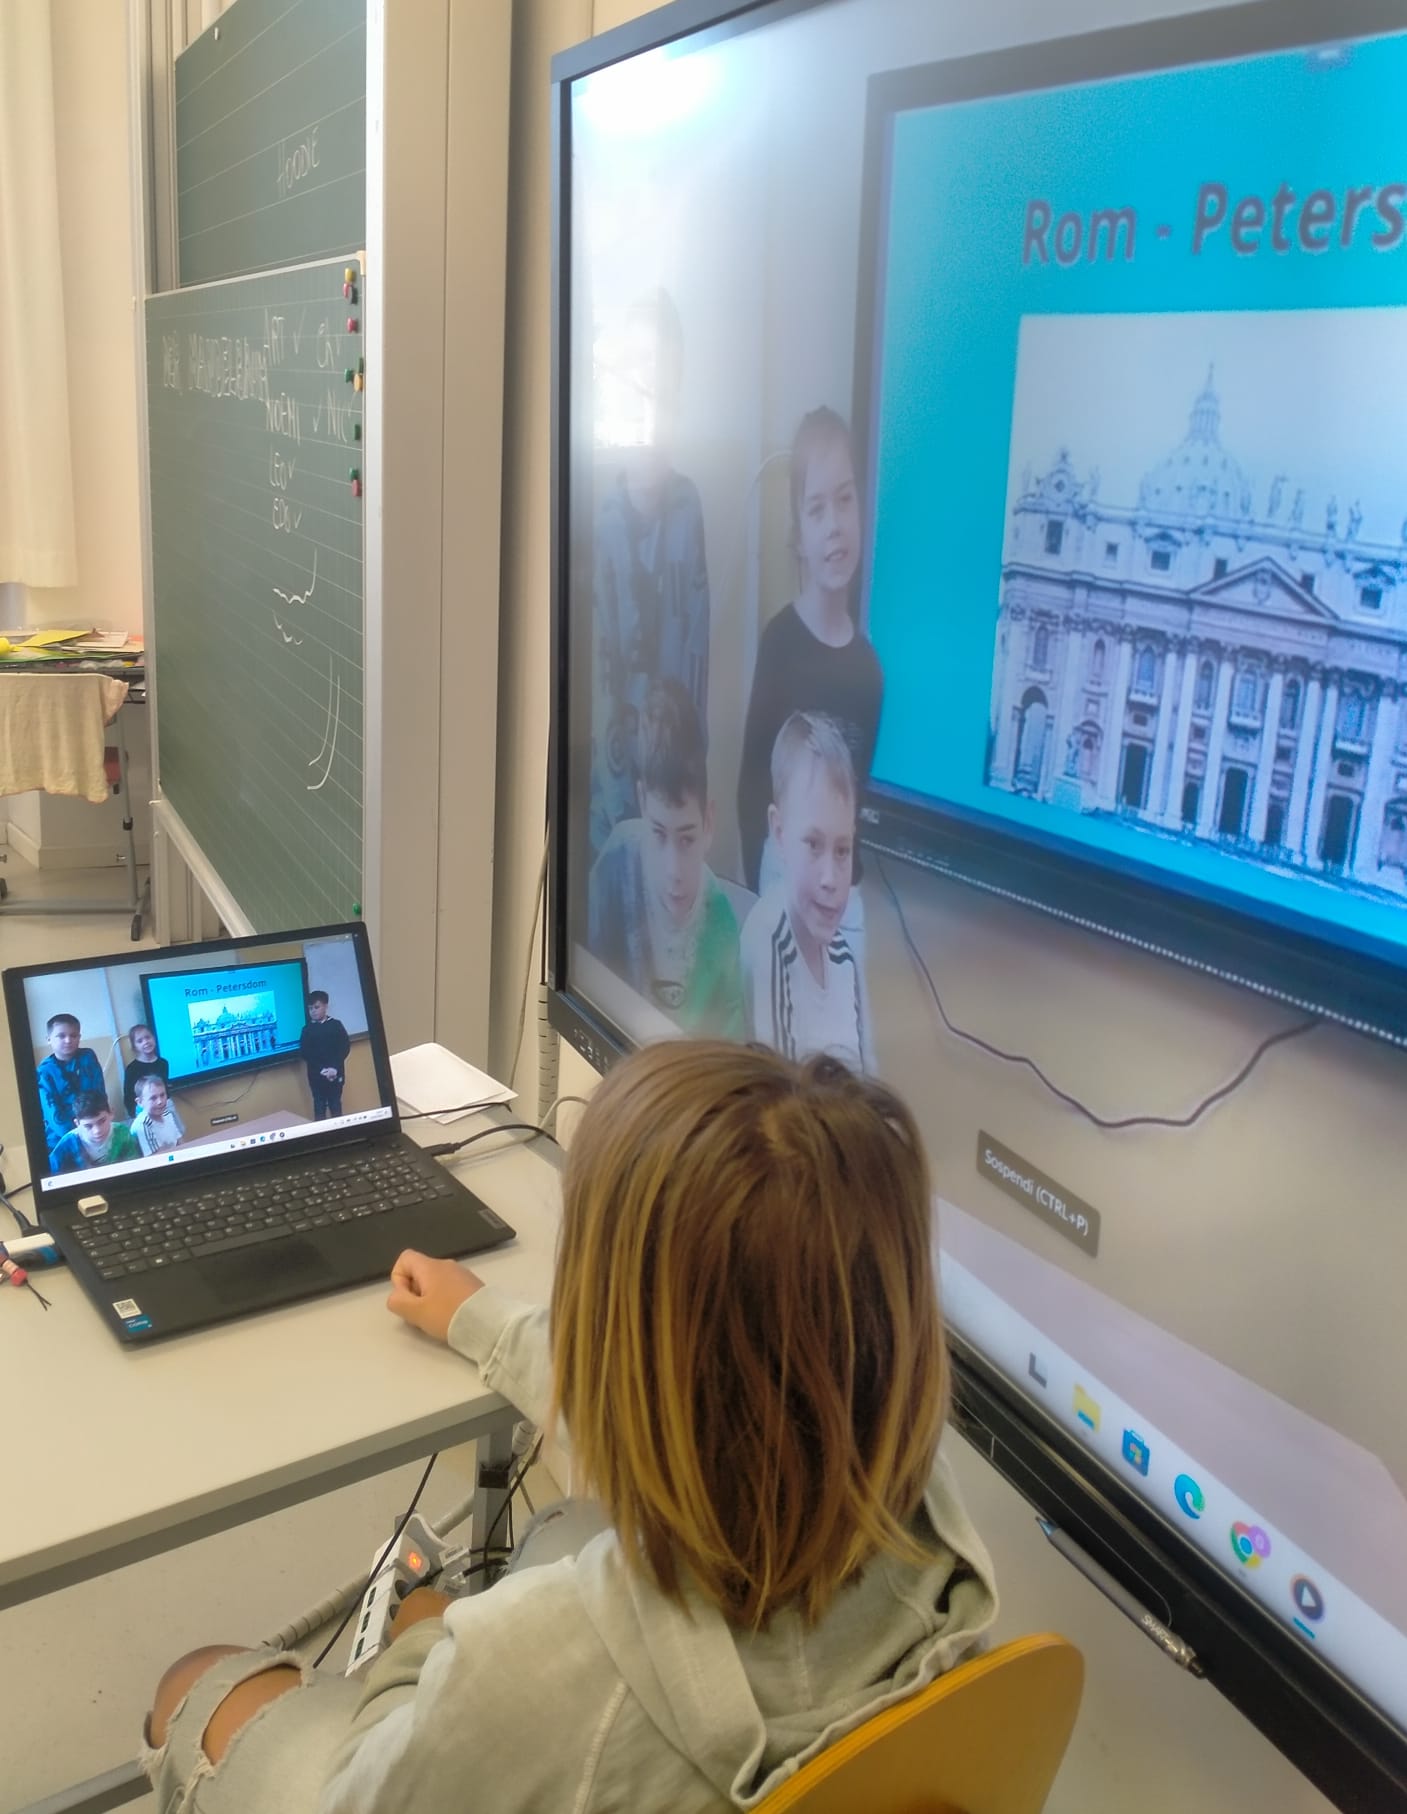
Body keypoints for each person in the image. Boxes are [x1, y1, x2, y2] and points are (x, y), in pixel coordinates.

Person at [141, 1041, 996, 1813]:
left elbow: (366, 1795)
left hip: (468, 1746)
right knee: (560, 1528)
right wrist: (481, 1320)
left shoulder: (523, 1665)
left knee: (194, 1682)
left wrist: (424, 1643)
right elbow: (726, 1380)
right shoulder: (914, 1502)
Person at [736, 407, 884, 894]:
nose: (834, 525)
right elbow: (751, 789)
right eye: (817, 509)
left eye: (845, 500)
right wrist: (765, 900)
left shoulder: (869, 672)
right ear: (798, 535)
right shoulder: (779, 644)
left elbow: (855, 809)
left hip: (840, 896)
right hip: (780, 887)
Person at [589, 289, 711, 856]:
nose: (653, 417)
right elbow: (601, 706)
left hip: (678, 817)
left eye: (666, 397)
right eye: (639, 395)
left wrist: (685, 815)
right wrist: (633, 834)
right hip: (614, 823)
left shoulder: (689, 509)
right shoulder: (600, 527)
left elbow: (696, 673)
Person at [588, 677, 744, 1037]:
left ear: (709, 822)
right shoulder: (614, 864)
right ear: (642, 801)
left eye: (687, 839)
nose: (673, 871)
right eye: (658, 834)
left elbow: (729, 1058)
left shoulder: (722, 930)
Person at [740, 711, 875, 1072]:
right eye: (813, 844)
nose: (830, 878)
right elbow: (783, 1094)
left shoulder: (844, 956)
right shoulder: (769, 937)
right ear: (779, 832)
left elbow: (866, 1077)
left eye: (842, 850)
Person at [36, 1013, 107, 1170]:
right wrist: (81, 1142)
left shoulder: (88, 1057)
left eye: (73, 1035)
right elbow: (55, 1118)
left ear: (79, 1037)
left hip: (95, 1130)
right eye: (61, 1036)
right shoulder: (44, 1072)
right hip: (61, 1140)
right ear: (49, 1039)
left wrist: (98, 1129)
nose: (68, 1040)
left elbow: (100, 1097)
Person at [50, 1092, 140, 1173]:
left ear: (111, 1113)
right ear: (77, 1124)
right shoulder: (66, 1145)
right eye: (88, 1126)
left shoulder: (122, 1132)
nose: (97, 1131)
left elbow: (133, 1167)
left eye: (102, 1121)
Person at [299, 991, 350, 1119]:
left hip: (336, 1073)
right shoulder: (307, 1030)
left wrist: (334, 1068)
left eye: (316, 1007)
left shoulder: (336, 1025)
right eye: (310, 1008)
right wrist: (321, 1070)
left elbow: (344, 1047)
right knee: (319, 1106)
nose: (313, 1011)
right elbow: (306, 1053)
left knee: (335, 1105)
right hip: (316, 1075)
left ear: (325, 1006)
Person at [130, 1072, 186, 1158]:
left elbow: (180, 1143)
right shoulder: (143, 1125)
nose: (160, 1101)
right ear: (140, 1102)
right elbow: (155, 1158)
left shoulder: (168, 1114)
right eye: (153, 1098)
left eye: (162, 1095)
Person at [123, 1022, 171, 1119]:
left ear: (154, 1038)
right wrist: (134, 1115)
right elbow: (128, 1096)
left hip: (163, 1108)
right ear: (134, 1046)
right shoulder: (132, 1069)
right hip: (143, 1112)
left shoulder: (163, 1063)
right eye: (140, 1041)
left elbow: (165, 1087)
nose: (146, 1042)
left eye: (148, 1037)